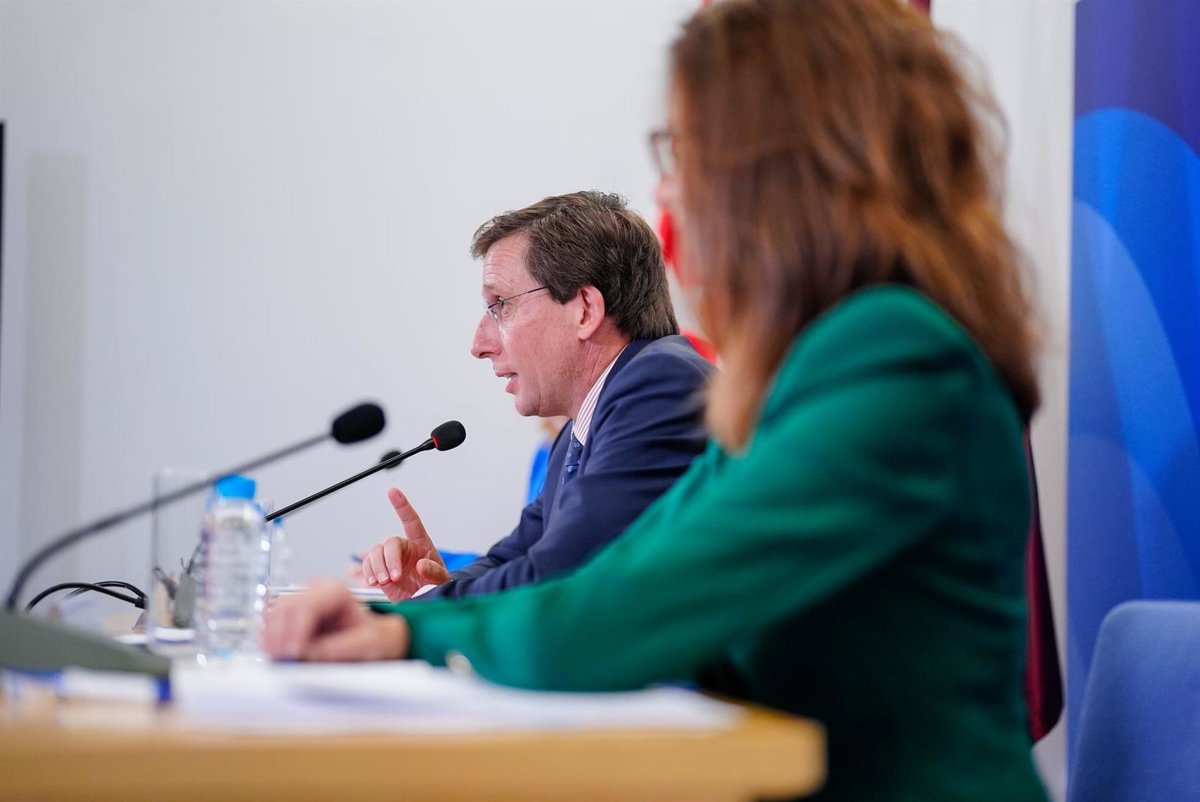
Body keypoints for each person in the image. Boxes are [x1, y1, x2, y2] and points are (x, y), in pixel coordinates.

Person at [264, 2, 1048, 799]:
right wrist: (407, 625)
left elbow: (624, 609)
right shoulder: (809, 367)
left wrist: (399, 632)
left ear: (784, 168)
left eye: (682, 150)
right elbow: (623, 578)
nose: (667, 188)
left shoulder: (891, 354)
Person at [359, 191, 713, 600]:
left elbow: (559, 572)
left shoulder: (659, 386)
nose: (479, 344)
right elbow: (513, 559)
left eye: (500, 305)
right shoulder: (579, 431)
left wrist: (417, 614)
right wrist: (435, 586)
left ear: (584, 309)